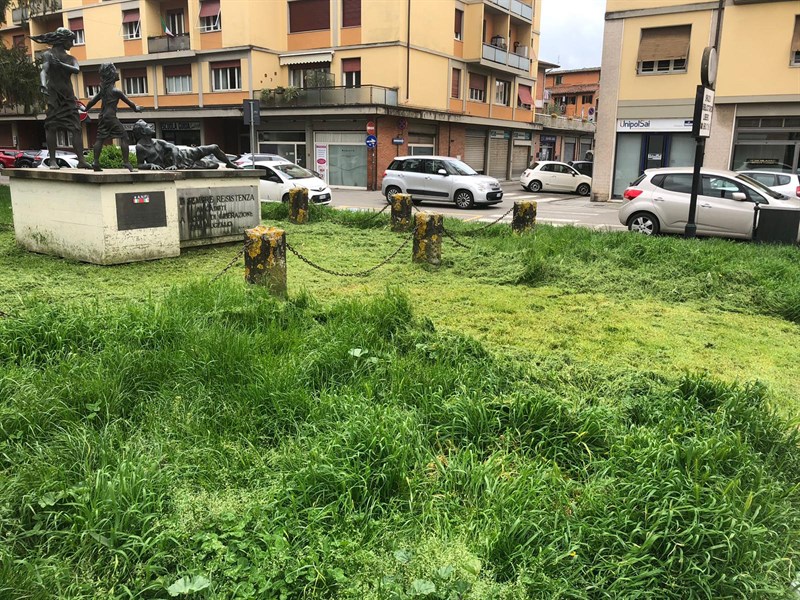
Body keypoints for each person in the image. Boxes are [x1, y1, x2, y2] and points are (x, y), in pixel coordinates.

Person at [30, 27, 92, 170]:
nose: (72, 44)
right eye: (71, 40)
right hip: (54, 95)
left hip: (68, 96)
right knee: (51, 126)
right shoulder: (48, 55)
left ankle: (81, 160)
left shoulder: (71, 59)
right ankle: (52, 161)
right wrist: (43, 84)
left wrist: (61, 65)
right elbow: (44, 70)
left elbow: (76, 69)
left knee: (76, 128)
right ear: (62, 40)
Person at [84, 63, 141, 171]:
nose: (117, 73)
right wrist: (136, 108)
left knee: (100, 138)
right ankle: (126, 162)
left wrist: (85, 109)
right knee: (124, 137)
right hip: (110, 117)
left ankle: (95, 162)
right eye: (115, 70)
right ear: (111, 74)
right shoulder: (116, 91)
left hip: (102, 116)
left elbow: (92, 101)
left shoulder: (103, 91)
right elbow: (129, 103)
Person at [132, 120, 240, 170]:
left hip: (184, 155)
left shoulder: (158, 141)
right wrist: (150, 165)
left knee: (214, 147)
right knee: (214, 165)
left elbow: (173, 148)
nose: (150, 126)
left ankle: (230, 164)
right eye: (147, 126)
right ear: (142, 132)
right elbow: (140, 165)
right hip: (182, 165)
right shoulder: (140, 147)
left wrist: (174, 163)